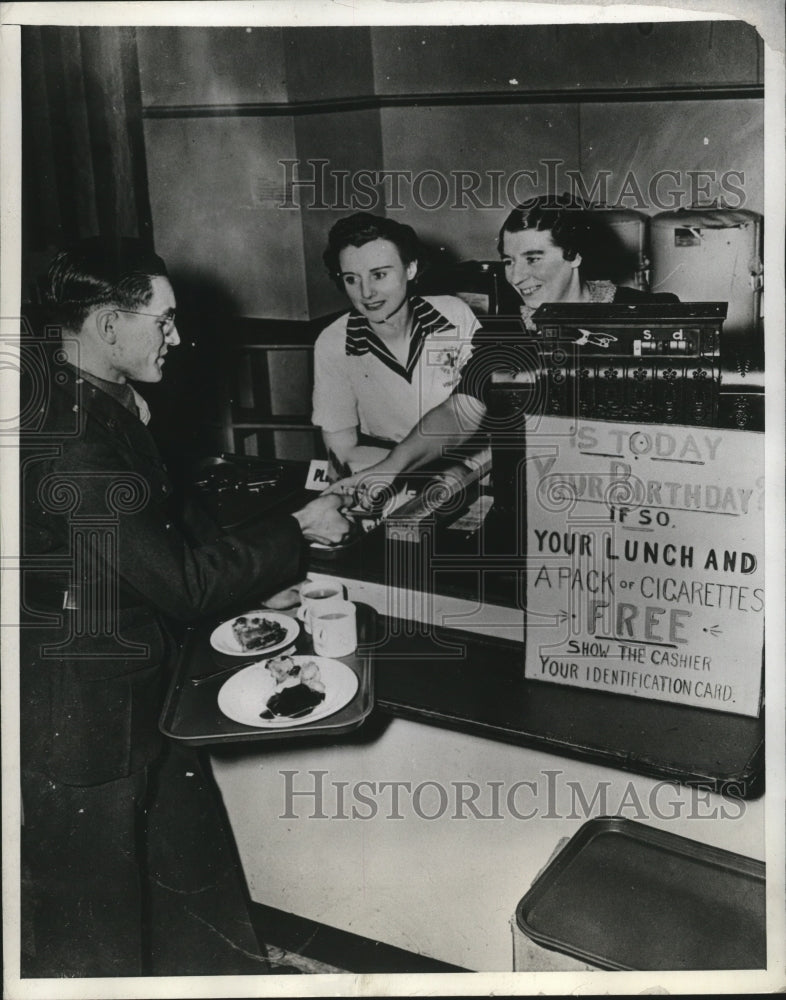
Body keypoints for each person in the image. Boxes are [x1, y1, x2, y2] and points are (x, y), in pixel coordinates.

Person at [19, 237, 351, 977]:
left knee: (189, 865)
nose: (178, 336)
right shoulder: (71, 435)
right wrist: (295, 530)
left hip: (144, 682)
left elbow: (168, 517)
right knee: (92, 921)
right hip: (87, 708)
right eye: (163, 321)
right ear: (108, 327)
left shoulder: (94, 395)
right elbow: (181, 583)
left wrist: (258, 584)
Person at [328, 197, 678, 500]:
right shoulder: (505, 335)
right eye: (509, 261)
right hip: (529, 515)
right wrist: (391, 467)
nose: (516, 277)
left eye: (533, 258)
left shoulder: (651, 315)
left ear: (574, 255)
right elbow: (459, 412)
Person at [312, 212, 480, 474]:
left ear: (410, 269)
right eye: (351, 279)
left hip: (473, 465)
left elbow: (478, 410)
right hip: (385, 470)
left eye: (379, 275)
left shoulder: (455, 315)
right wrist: (435, 472)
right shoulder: (334, 342)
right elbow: (342, 450)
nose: (366, 292)